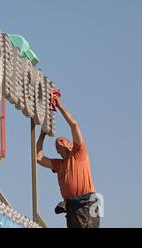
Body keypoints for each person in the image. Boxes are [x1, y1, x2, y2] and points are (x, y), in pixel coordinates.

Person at [36, 94, 100, 228]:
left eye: (63, 140)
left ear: (71, 145)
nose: (58, 142)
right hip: (71, 205)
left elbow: (74, 124)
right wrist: (42, 135)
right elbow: (39, 158)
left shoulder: (79, 152)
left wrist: (60, 106)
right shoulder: (59, 165)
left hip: (87, 202)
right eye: (57, 143)